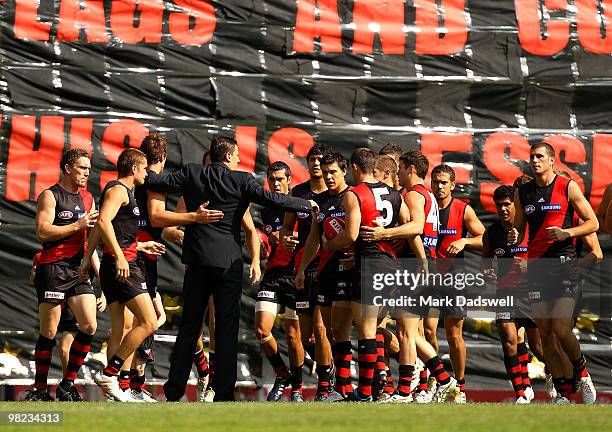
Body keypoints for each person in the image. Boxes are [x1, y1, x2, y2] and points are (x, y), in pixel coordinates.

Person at [145, 136, 316, 402]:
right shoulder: (241, 179)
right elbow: (272, 200)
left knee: (189, 327)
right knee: (226, 330)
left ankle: (174, 390)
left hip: (198, 263)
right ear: (230, 155)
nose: (238, 160)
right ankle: (224, 392)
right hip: (228, 264)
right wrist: (304, 203)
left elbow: (155, 181)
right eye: (237, 155)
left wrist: (136, 169)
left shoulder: (191, 173)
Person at [325, 148, 456, 402]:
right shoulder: (400, 196)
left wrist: (329, 246)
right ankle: (436, 378)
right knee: (400, 331)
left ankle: (379, 390)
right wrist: (423, 260)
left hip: (385, 266)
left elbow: (412, 229)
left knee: (384, 331)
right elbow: (411, 232)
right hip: (398, 265)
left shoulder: (406, 195)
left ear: (354, 168)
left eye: (401, 169)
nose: (398, 176)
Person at [508, 142, 598, 404]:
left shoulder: (566, 186)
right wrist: (515, 235)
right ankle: (563, 394)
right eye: (532, 156)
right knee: (545, 332)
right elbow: (518, 228)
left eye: (540, 157)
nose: (534, 160)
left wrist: (567, 233)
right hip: (537, 268)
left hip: (563, 264)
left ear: (551, 161)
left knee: (561, 328)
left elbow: (594, 222)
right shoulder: (523, 192)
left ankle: (582, 373)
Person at [79, 148, 160, 402]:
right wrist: (122, 256)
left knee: (120, 328)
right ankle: (110, 373)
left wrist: (87, 259)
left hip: (115, 263)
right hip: (122, 266)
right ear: (134, 168)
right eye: (144, 168)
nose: (147, 173)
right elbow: (102, 222)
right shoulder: (118, 190)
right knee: (149, 322)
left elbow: (103, 229)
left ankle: (120, 388)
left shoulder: (125, 193)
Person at [24, 149, 100, 402]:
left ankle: (67, 384)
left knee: (89, 325)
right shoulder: (50, 195)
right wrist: (76, 225)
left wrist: (100, 275)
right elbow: (42, 232)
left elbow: (91, 242)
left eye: (89, 168)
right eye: (82, 168)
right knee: (49, 331)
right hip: (53, 268)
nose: (86, 173)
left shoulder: (89, 198)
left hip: (78, 268)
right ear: (67, 168)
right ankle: (41, 390)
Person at [424, 164, 485, 403]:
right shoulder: (423, 204)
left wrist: (464, 242)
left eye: (443, 182)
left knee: (453, 334)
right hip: (428, 278)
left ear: (452, 185)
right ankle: (436, 381)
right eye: (435, 181)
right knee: (428, 330)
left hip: (454, 279)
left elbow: (485, 239)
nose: (439, 186)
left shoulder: (463, 210)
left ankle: (459, 386)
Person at [295, 152, 353, 401]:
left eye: (333, 172)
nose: (329, 177)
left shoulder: (353, 197)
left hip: (351, 271)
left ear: (344, 172)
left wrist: (357, 257)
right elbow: (314, 239)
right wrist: (301, 269)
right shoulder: (319, 202)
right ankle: (336, 386)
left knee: (341, 329)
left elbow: (359, 232)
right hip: (325, 271)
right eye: (326, 172)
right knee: (328, 332)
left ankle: (345, 386)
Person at [280, 144, 334, 400]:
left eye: (320, 160)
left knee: (322, 330)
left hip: (327, 269)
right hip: (301, 269)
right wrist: (285, 239)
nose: (315, 164)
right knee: (303, 333)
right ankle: (300, 387)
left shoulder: (336, 194)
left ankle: (325, 387)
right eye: (312, 159)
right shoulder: (298, 193)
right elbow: (286, 227)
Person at [482, 185, 539, 403]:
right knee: (508, 340)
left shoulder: (532, 229)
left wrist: (529, 266)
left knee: (540, 347)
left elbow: (546, 260)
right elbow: (485, 262)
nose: (503, 209)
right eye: (499, 205)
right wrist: (487, 272)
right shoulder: (492, 233)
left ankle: (558, 383)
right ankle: (521, 392)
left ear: (516, 205)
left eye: (507, 204)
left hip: (532, 293)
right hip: (505, 293)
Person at [255, 161, 305, 402]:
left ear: (288, 180)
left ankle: (297, 387)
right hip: (273, 275)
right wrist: (262, 243)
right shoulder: (265, 209)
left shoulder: (298, 204)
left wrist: (288, 236)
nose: (275, 183)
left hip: (295, 274)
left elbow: (308, 236)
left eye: (280, 179)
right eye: (271, 178)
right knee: (262, 330)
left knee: (294, 336)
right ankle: (281, 373)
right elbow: (263, 240)